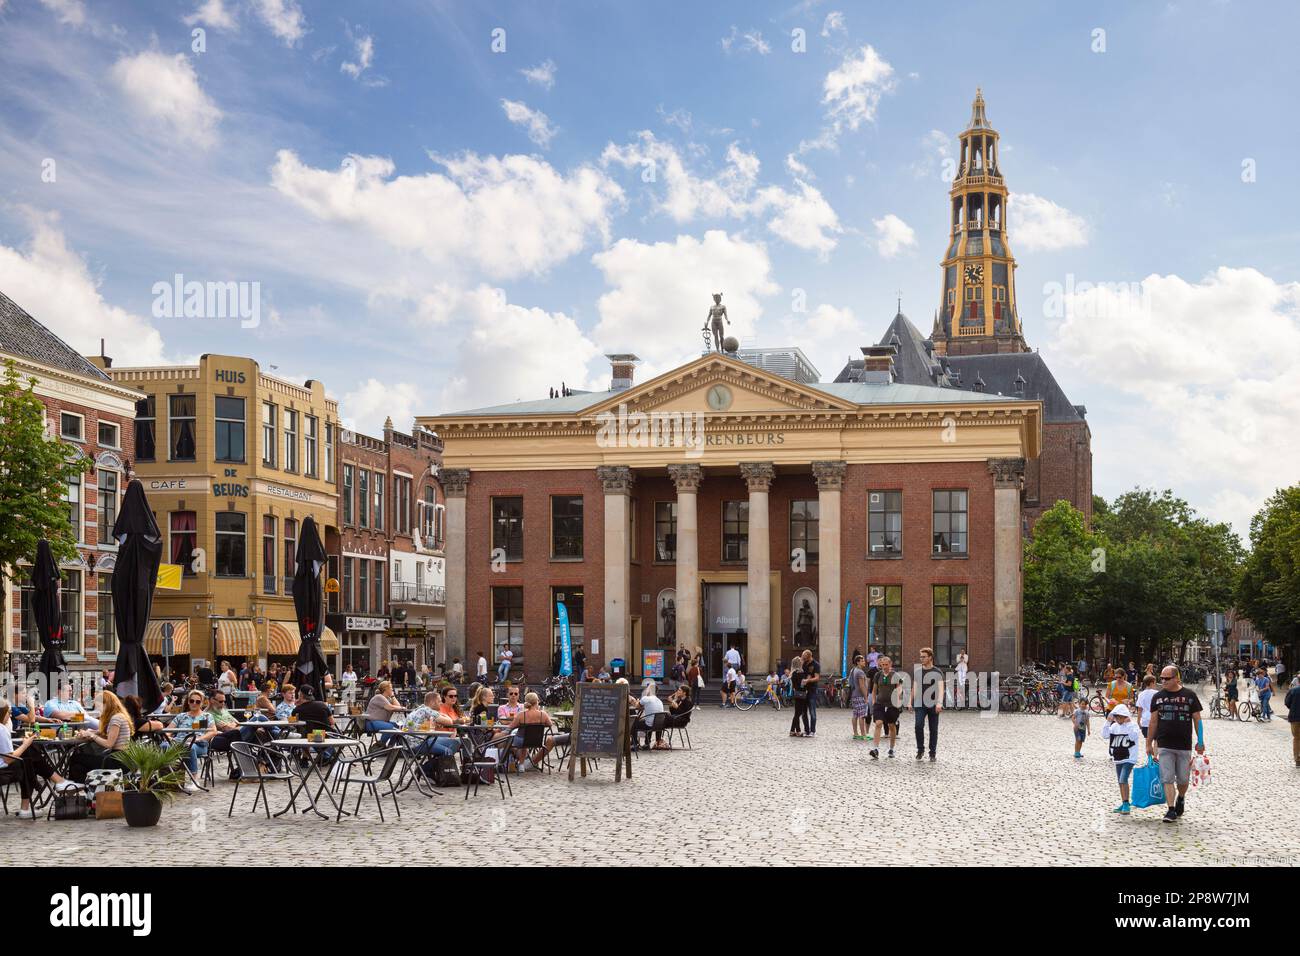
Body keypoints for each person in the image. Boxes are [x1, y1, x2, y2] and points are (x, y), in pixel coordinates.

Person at [1146, 666, 1204, 824]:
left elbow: (1197, 719)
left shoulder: (1189, 696)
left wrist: (1201, 740)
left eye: (1166, 678)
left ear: (1177, 678)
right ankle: (1170, 809)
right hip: (1164, 744)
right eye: (1161, 678)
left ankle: (1181, 797)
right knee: (1167, 778)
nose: (1162, 681)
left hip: (1184, 744)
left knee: (1183, 780)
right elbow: (1153, 722)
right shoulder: (1157, 697)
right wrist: (1148, 743)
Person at [0, 703, 79, 818]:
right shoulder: (1, 729)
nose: (10, 715)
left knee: (29, 754)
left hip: (6, 765)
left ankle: (27, 806)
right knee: (28, 760)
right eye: (9, 712)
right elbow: (8, 759)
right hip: (4, 770)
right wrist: (25, 744)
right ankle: (58, 781)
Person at [67, 691, 133, 782]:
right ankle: (82, 789)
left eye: (99, 706)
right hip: (121, 758)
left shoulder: (116, 718)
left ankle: (75, 787)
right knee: (78, 766)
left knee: (75, 758)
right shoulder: (118, 716)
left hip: (118, 761)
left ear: (107, 704)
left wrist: (92, 735)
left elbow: (109, 744)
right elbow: (104, 733)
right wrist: (91, 733)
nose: (98, 710)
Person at [172, 689, 221, 791]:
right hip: (179, 743)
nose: (194, 703)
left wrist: (198, 739)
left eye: (197, 701)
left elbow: (213, 731)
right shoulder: (181, 716)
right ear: (188, 701)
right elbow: (168, 730)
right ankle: (164, 779)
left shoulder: (206, 716)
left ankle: (194, 779)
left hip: (199, 745)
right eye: (192, 701)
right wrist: (169, 738)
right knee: (164, 745)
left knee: (190, 747)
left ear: (202, 703)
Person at [1102, 703, 1142, 814]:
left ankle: (1126, 804)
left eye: (1120, 717)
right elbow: (1104, 735)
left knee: (1123, 779)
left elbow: (1133, 736)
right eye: (1116, 717)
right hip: (1118, 757)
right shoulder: (1114, 727)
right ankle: (1124, 802)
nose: (1118, 719)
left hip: (1129, 758)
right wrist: (1108, 721)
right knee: (1120, 781)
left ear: (1125, 716)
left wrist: (1129, 725)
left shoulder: (1133, 726)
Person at [913, 647, 944, 761]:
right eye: (920, 656)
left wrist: (939, 703)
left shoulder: (937, 672)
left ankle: (932, 753)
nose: (921, 658)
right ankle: (920, 749)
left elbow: (941, 689)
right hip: (920, 703)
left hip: (933, 704)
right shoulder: (917, 672)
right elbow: (915, 687)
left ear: (930, 657)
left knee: (933, 729)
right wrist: (910, 701)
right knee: (918, 726)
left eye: (924, 656)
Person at [869, 656, 902, 759]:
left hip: (892, 705)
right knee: (878, 723)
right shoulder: (878, 675)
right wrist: (874, 701)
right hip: (879, 703)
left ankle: (891, 749)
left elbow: (899, 689)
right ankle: (876, 749)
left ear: (890, 664)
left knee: (891, 725)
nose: (884, 667)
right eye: (882, 665)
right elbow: (874, 690)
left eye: (886, 664)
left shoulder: (895, 675)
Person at [638, 680, 667, 750]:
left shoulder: (646, 698)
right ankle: (647, 743)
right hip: (659, 725)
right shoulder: (659, 701)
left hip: (650, 725)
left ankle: (635, 743)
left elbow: (637, 706)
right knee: (648, 719)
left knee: (635, 723)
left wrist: (637, 701)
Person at [849, 654, 870, 741]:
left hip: (854, 694)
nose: (864, 662)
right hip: (860, 695)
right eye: (862, 661)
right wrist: (865, 697)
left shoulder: (853, 670)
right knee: (862, 715)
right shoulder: (860, 672)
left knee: (855, 714)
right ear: (858, 662)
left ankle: (855, 733)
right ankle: (863, 734)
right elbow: (862, 686)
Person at [788, 655, 810, 737]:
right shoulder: (800, 673)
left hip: (796, 694)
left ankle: (792, 730)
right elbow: (802, 684)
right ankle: (798, 731)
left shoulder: (793, 673)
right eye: (801, 661)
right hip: (801, 693)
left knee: (797, 713)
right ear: (798, 663)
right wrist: (806, 683)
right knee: (798, 713)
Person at [801, 649, 821, 737]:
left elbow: (817, 678)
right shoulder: (803, 664)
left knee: (812, 711)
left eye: (805, 658)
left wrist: (808, 680)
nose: (803, 659)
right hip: (803, 691)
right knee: (803, 712)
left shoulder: (816, 665)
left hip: (812, 690)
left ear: (809, 657)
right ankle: (806, 730)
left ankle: (812, 731)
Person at [1285, 678, 1300, 768]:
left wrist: (1293, 708)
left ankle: (1297, 759)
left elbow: (1287, 703)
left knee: (1297, 738)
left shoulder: (1293, 690)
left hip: (1295, 717)